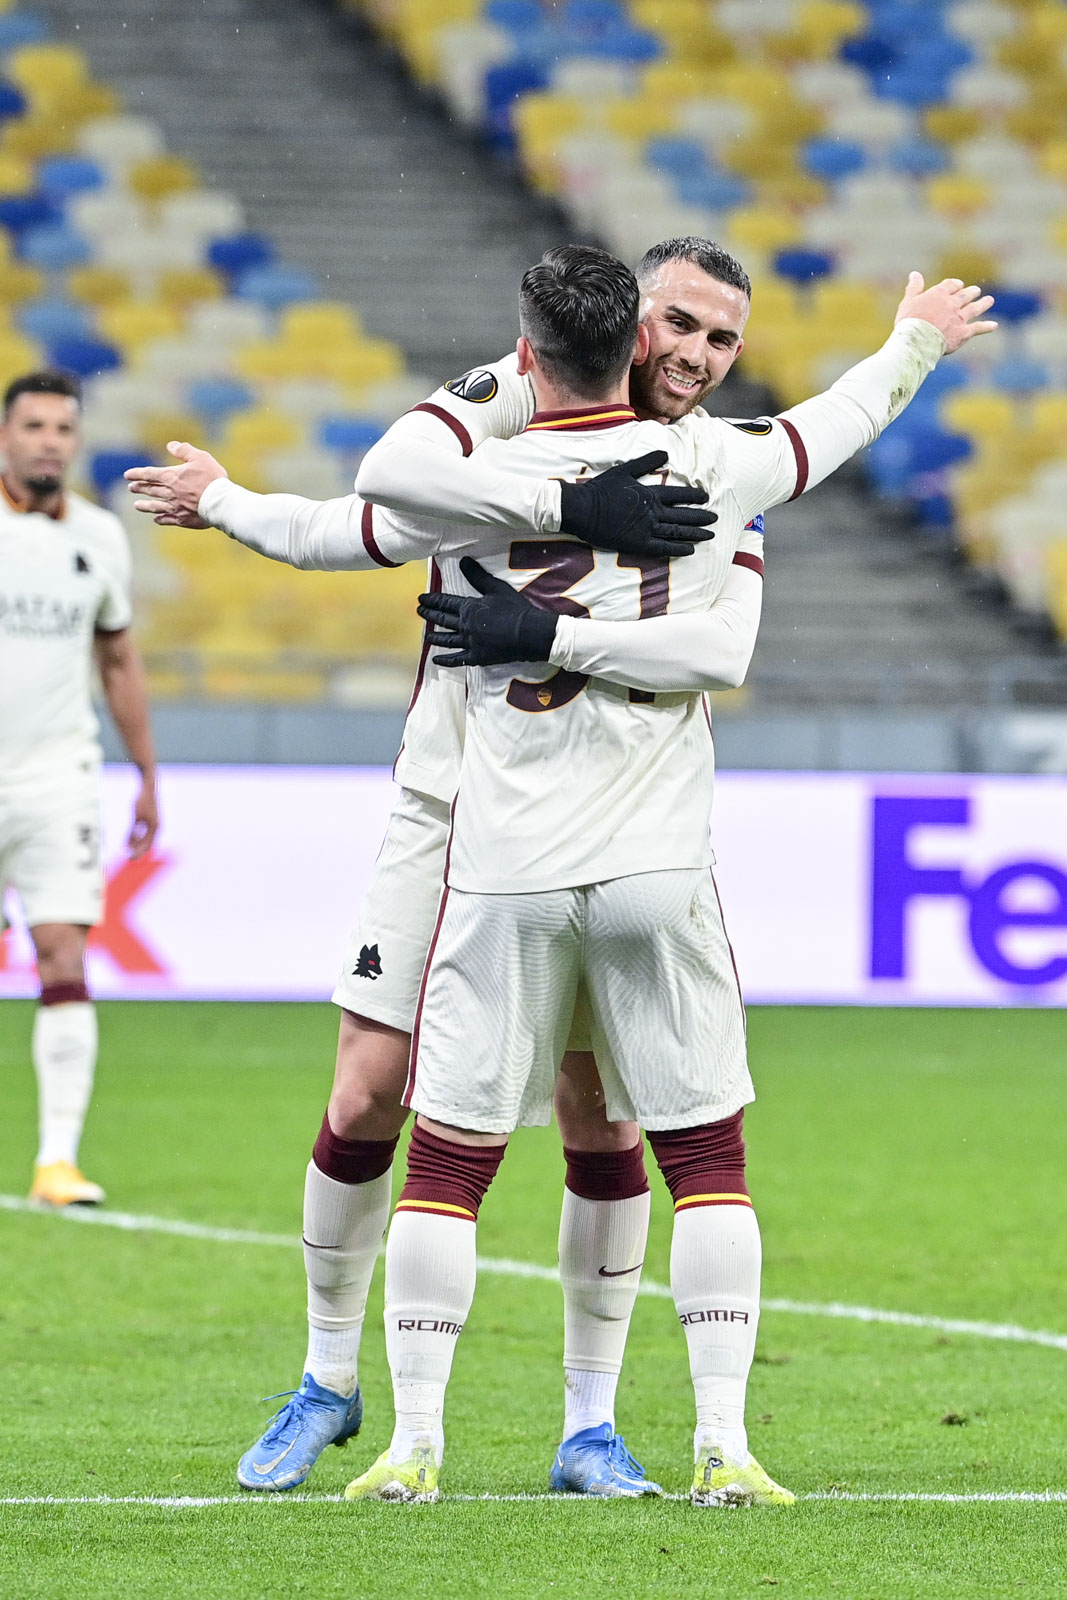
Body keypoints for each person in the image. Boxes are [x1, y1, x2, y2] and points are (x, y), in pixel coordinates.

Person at [126, 244, 993, 1503]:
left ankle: (587, 1424)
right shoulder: (495, 424)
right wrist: (229, 502)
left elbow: (729, 627)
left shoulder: (715, 471)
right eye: (677, 325)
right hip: (447, 807)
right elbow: (349, 517)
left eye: (721, 340)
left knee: (603, 1118)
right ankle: (328, 1376)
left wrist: (549, 625)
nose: (694, 355)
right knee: (368, 1093)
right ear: (628, 323)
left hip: (573, 827)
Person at [0, 370, 158, 1209]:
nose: (49, 442)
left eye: (63, 428)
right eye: (34, 426)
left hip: (58, 777)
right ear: (6, 436)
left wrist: (146, 774)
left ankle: (56, 1162)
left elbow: (118, 660)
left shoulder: (100, 536)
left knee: (63, 951)